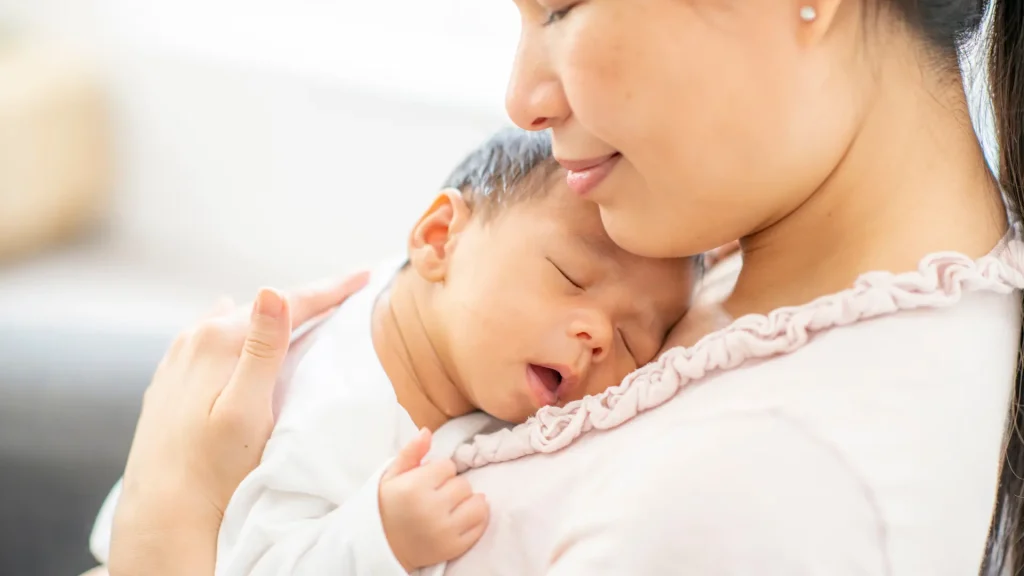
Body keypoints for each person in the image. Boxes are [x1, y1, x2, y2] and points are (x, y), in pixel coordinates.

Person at [89, 0, 1024, 574]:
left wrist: (165, 529)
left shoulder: (761, 488)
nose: (521, 98)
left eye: (563, 6)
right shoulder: (745, 237)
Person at [88, 128, 695, 575]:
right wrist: (376, 537)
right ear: (439, 240)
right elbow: (246, 561)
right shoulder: (337, 401)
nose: (596, 335)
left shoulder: (447, 335)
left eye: (632, 342)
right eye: (571, 277)